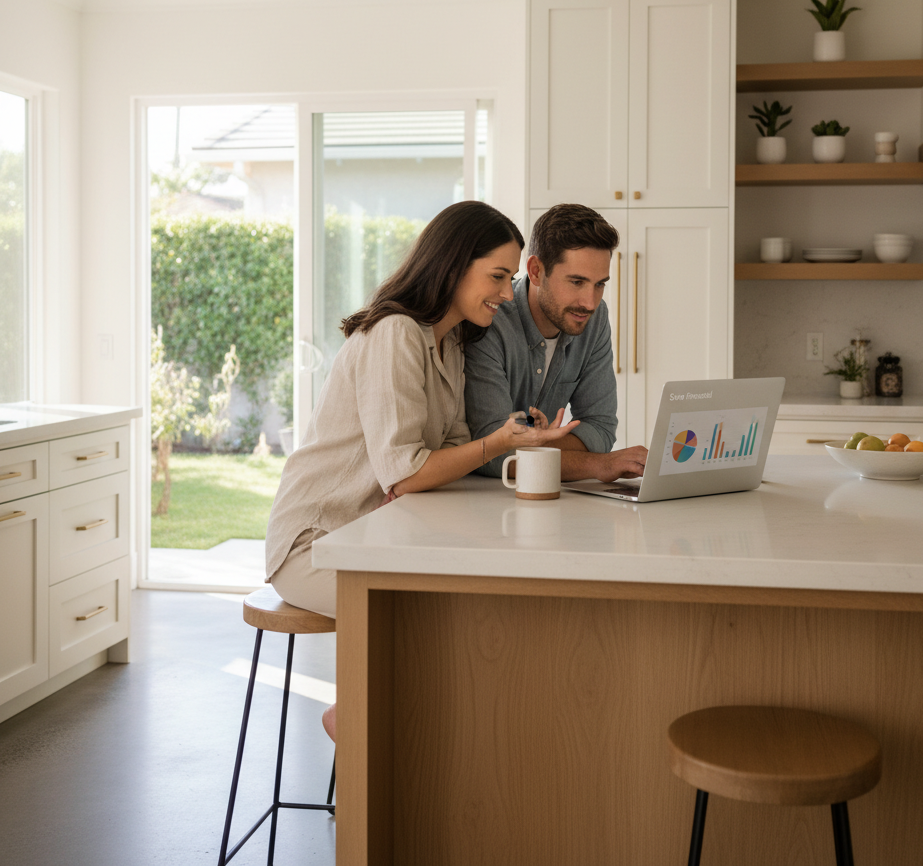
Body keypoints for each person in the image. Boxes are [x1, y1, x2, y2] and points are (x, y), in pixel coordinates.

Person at [265, 200, 578, 739]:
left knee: (464, 598)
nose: (508, 296)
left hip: (374, 536)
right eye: (498, 277)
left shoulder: (449, 340)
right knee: (433, 614)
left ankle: (389, 727)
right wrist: (499, 442)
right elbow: (407, 473)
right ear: (454, 265)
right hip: (316, 543)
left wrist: (508, 436)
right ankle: (363, 722)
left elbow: (452, 448)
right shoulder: (396, 333)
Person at [464, 203, 647, 483]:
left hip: (545, 494)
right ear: (536, 271)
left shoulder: (594, 320)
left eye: (600, 284)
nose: (589, 302)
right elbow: (491, 451)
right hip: (480, 499)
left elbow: (601, 429)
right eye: (576, 282)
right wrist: (598, 466)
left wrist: (528, 447)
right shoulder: (490, 320)